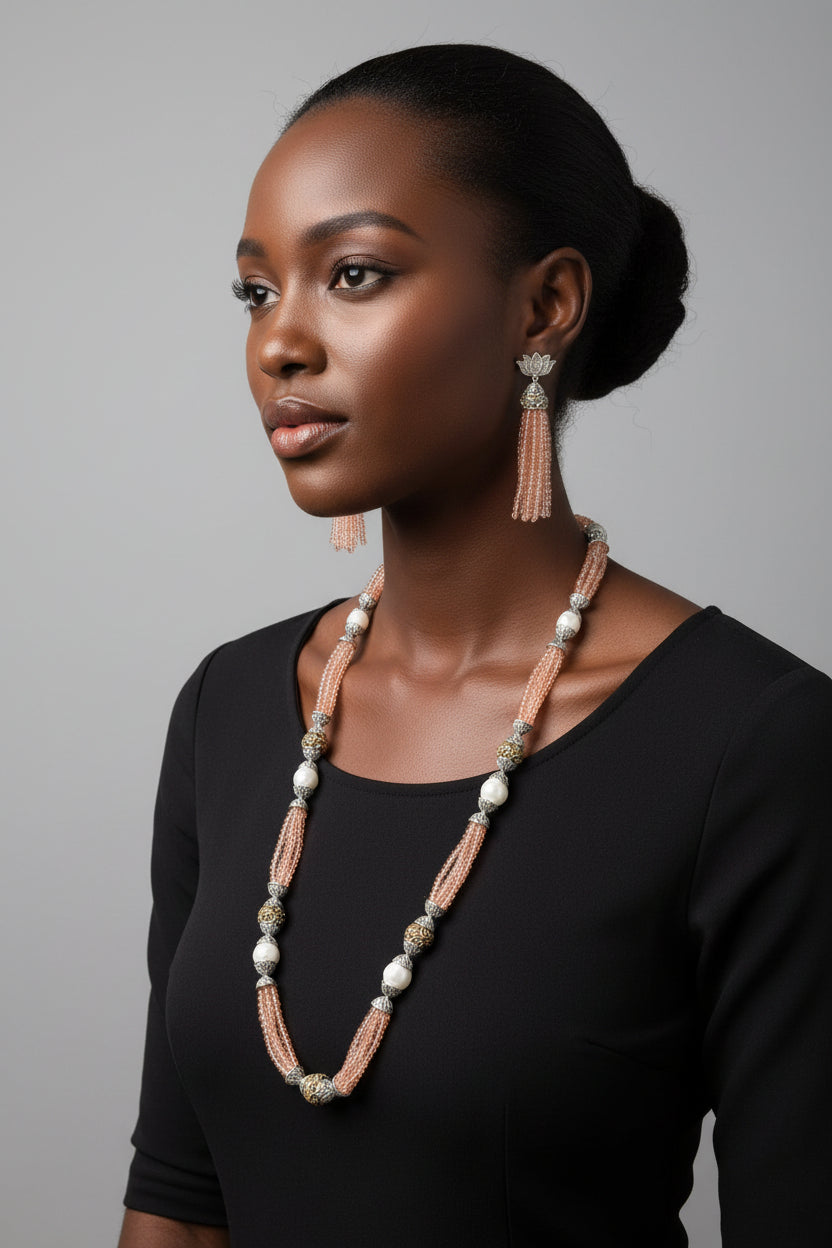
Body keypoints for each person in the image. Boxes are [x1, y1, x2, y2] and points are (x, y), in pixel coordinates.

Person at [118, 43, 832, 1248]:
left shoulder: (753, 747)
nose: (278, 344)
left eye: (352, 273)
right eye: (256, 291)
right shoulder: (232, 708)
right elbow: (178, 1208)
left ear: (543, 305)